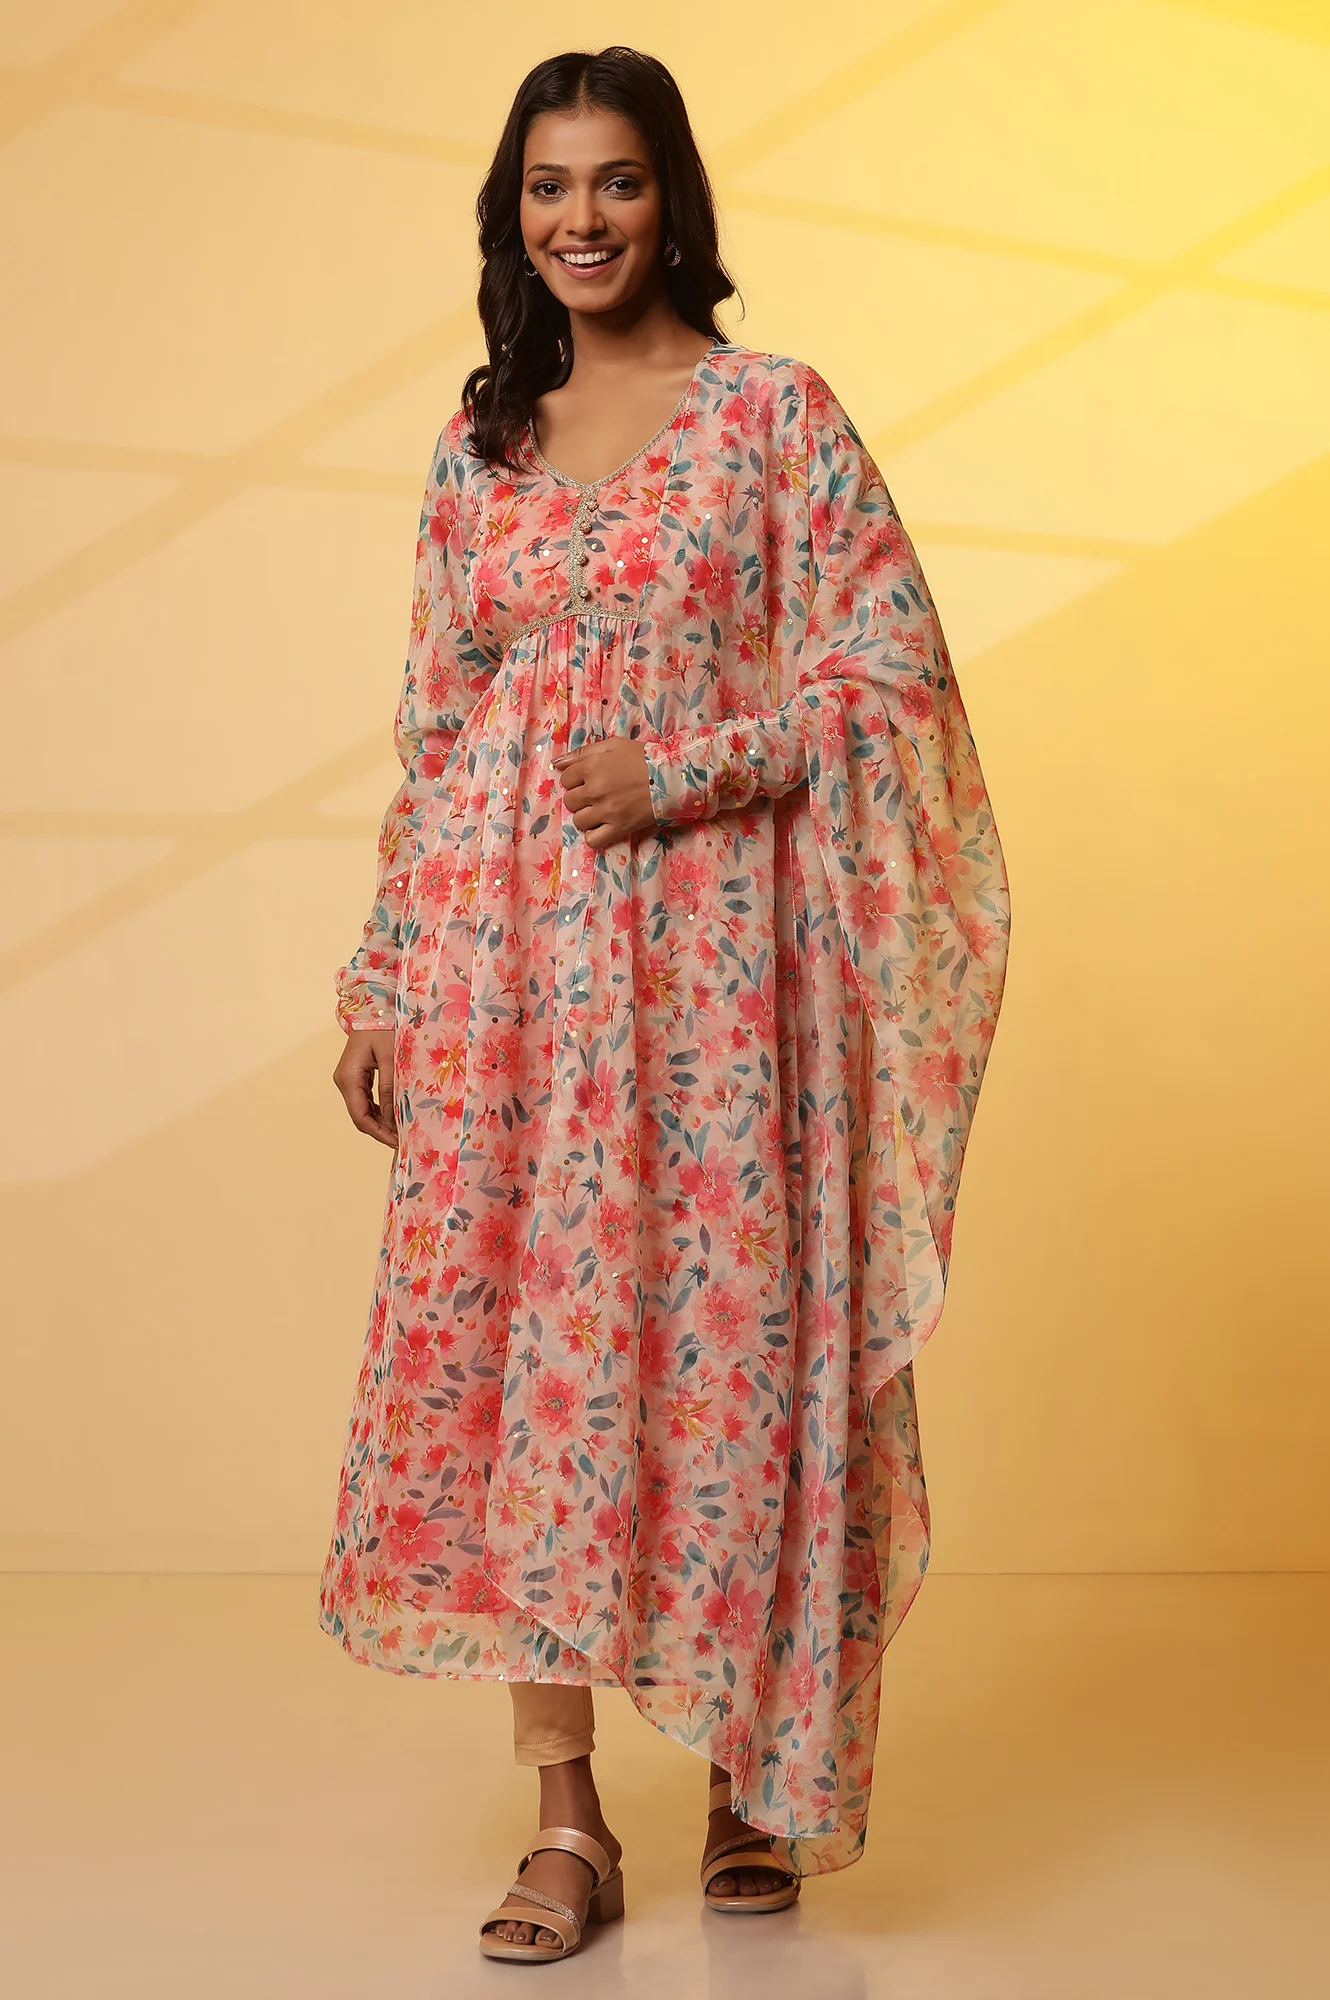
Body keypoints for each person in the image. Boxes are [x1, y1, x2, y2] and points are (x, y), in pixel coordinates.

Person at [320, 44, 1009, 1967]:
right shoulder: (482, 444)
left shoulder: (771, 415)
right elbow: (438, 731)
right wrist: (384, 979)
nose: (582, 219)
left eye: (615, 181)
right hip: (503, 976)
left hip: (715, 978)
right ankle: (566, 1819)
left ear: (670, 197)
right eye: (548, 186)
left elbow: (888, 676)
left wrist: (690, 769)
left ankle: (746, 1771)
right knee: (514, 1359)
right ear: (511, 212)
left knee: (726, 1348)